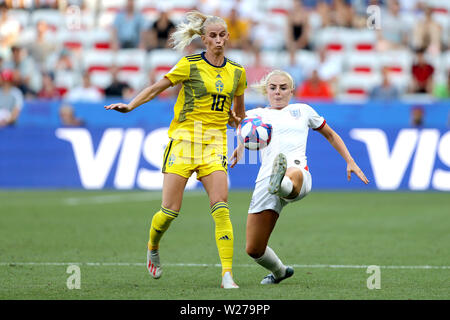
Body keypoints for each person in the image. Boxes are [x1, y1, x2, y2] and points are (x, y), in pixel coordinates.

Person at [104, 11, 247, 289]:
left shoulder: (237, 72)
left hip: (215, 144)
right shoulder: (189, 64)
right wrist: (130, 105)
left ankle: (227, 275)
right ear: (204, 39)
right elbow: (157, 88)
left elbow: (239, 116)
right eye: (213, 36)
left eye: (222, 35)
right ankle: (153, 246)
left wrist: (241, 140)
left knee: (221, 208)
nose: (218, 40)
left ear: (228, 37)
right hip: (183, 141)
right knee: (170, 211)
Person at [230, 70, 369, 285]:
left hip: (298, 174)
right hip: (265, 181)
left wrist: (349, 160)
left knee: (290, 173)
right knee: (254, 249)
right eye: (273, 87)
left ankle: (282, 182)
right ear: (266, 90)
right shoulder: (256, 115)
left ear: (292, 91)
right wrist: (239, 146)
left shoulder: (303, 111)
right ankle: (280, 271)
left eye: (283, 88)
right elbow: (244, 131)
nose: (278, 92)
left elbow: (330, 134)